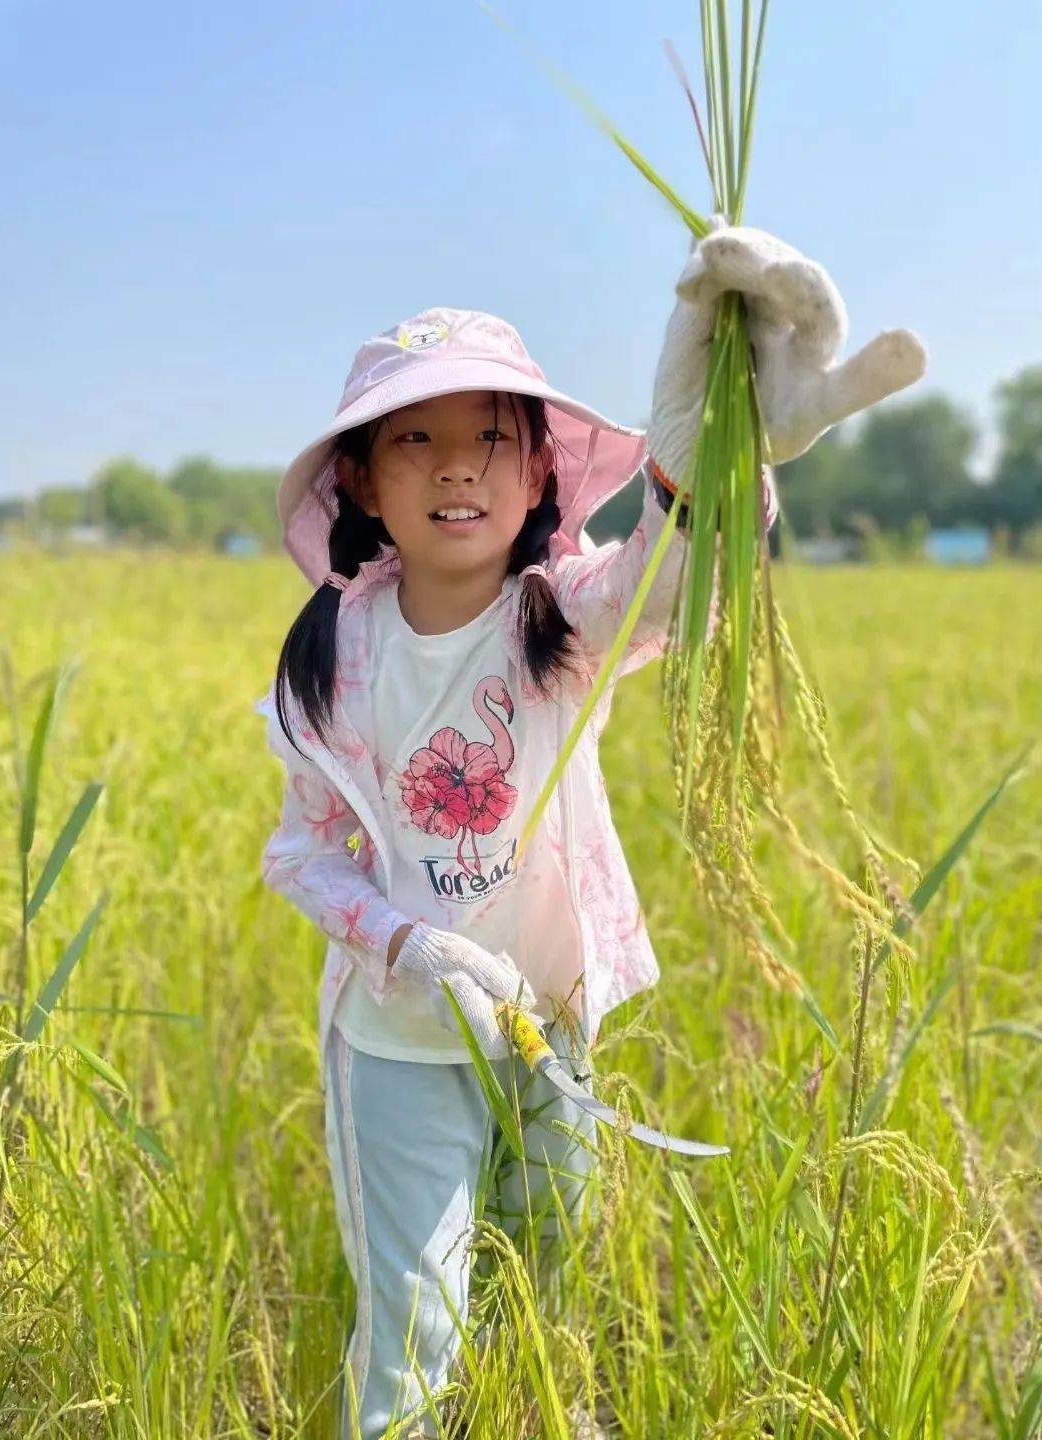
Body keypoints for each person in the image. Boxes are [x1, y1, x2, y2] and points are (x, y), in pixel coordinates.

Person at [254, 216, 926, 1440]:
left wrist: (708, 462)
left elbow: (677, 586)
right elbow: (296, 852)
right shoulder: (340, 658)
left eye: (488, 443)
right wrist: (413, 947)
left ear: (538, 476)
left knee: (545, 1296)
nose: (457, 471)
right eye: (415, 442)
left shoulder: (557, 623)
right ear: (360, 478)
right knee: (417, 1331)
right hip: (401, 1047)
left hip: (552, 1030)